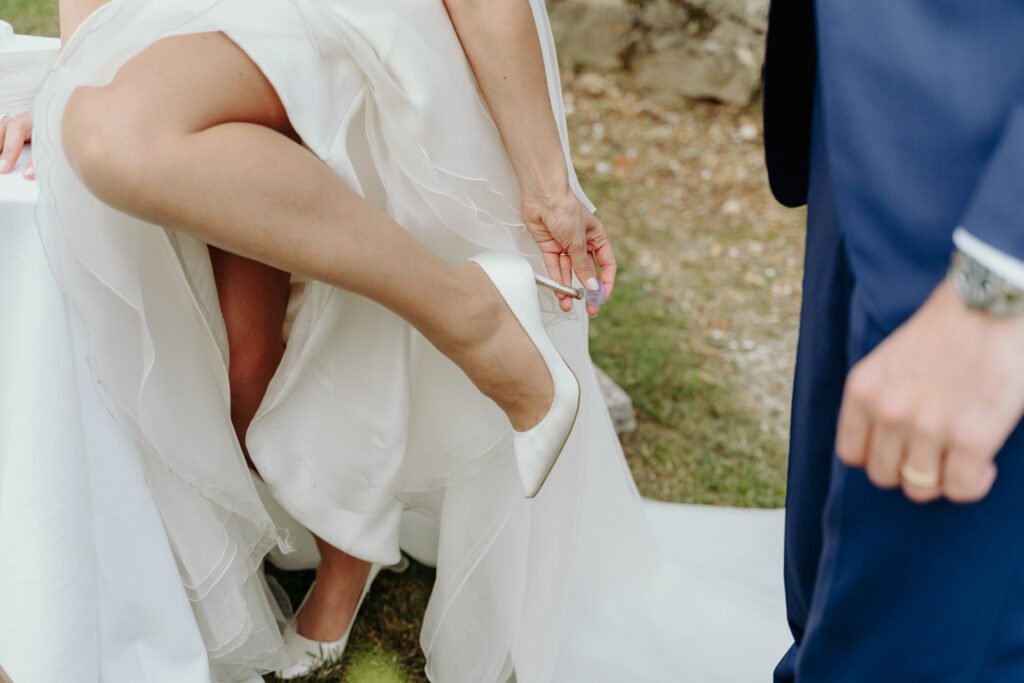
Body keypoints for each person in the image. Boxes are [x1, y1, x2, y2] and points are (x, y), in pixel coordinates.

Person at [3, 0, 790, 680]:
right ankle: (330, 513)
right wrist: (76, 69)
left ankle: (471, 323)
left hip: (377, 25)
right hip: (205, 28)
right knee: (241, 371)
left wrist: (549, 184)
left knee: (117, 135)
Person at [764, 1, 1024, 680]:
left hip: (992, 190)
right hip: (865, 108)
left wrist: (1001, 275)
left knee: (922, 643)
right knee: (829, 601)